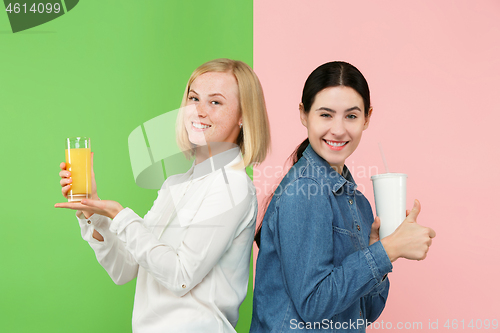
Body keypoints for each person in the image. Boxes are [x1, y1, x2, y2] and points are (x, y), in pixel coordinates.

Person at [55, 58, 271, 333]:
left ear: (244, 115)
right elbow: (124, 269)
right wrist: (93, 212)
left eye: (215, 102)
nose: (199, 111)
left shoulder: (233, 185)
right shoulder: (175, 184)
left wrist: (120, 215)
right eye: (194, 98)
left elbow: (180, 276)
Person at [250, 61, 436, 332]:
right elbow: (313, 305)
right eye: (325, 115)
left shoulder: (358, 202)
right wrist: (389, 250)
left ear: (367, 118)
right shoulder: (304, 190)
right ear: (304, 114)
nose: (338, 130)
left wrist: (379, 251)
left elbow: (367, 313)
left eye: (351, 116)